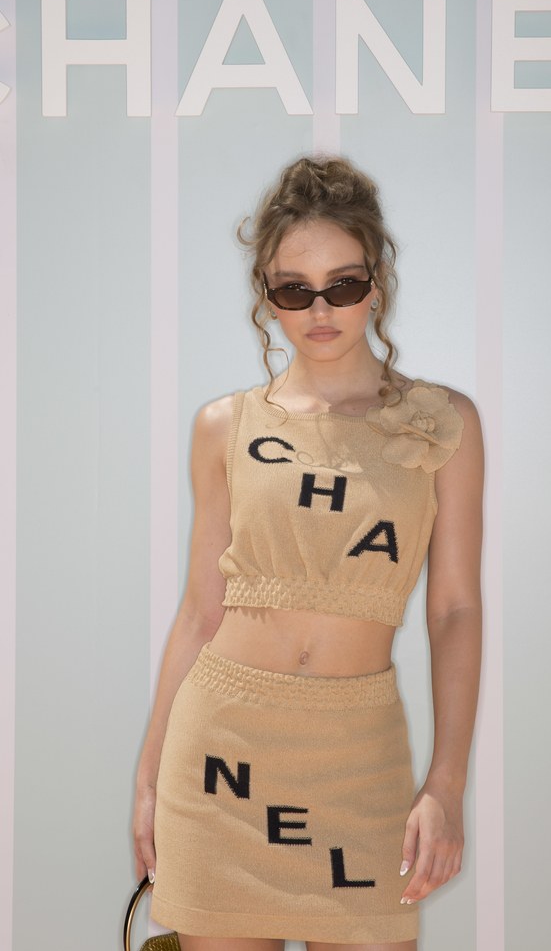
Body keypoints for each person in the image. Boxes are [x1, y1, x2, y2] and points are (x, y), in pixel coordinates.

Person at [133, 155, 484, 951]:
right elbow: (200, 611)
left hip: (358, 760)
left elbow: (455, 608)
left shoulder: (443, 423)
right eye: (295, 290)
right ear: (267, 296)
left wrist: (446, 781)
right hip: (219, 757)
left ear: (377, 284)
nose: (320, 309)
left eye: (343, 284)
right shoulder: (224, 426)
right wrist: (149, 780)